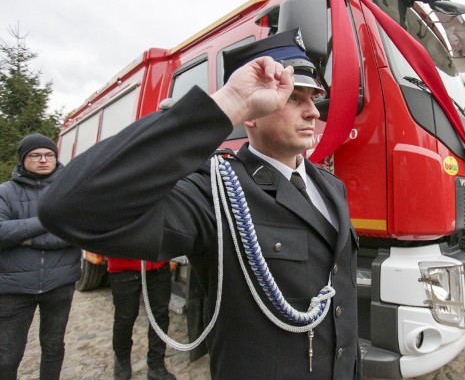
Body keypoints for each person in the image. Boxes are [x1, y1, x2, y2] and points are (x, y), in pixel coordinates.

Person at [39, 29, 361, 379]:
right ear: (251, 112)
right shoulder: (217, 191)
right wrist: (230, 103)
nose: (314, 112)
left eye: (313, 99)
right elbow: (68, 209)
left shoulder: (331, 187)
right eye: (294, 99)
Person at [0, 133, 81, 380]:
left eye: (49, 155)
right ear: (23, 159)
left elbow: (80, 232)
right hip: (14, 288)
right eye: (35, 155)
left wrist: (24, 238)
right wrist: (47, 221)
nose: (43, 160)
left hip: (60, 285)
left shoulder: (71, 190)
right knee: (7, 355)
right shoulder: (5, 191)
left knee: (54, 348)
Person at [108, 258, 176, 380]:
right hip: (124, 266)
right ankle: (122, 360)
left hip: (158, 263)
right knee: (125, 319)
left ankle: (156, 365)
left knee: (160, 316)